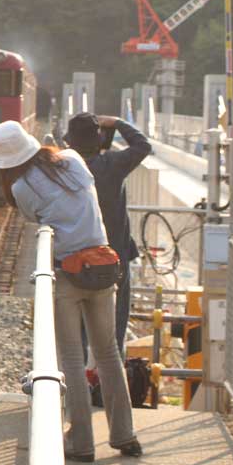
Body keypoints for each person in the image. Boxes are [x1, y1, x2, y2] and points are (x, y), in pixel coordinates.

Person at [0, 120, 141, 461]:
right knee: (109, 354)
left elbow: (36, 218)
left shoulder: (21, 188)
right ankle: (125, 435)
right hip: (103, 266)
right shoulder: (72, 159)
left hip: (68, 275)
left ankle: (82, 443)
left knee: (71, 358)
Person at [64, 113, 151, 355]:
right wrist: (117, 123)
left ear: (71, 141)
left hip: (76, 259)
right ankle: (110, 383)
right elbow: (143, 145)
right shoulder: (113, 165)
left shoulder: (64, 169)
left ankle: (79, 385)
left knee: (77, 331)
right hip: (114, 257)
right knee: (114, 332)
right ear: (99, 137)